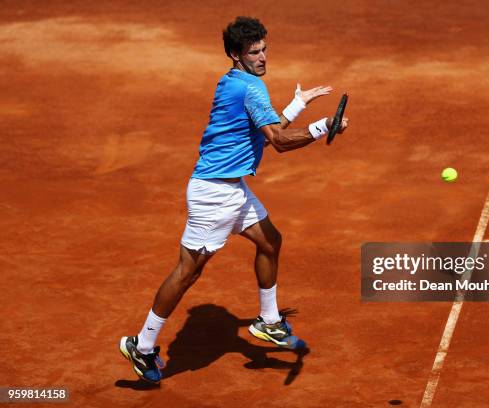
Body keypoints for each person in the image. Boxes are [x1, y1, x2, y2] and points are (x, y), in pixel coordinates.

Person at [119, 16, 349, 384]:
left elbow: (262, 136)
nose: (263, 57)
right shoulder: (251, 89)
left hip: (231, 190)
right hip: (214, 194)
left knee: (270, 240)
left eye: (264, 49)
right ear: (235, 54)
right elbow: (277, 142)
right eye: (254, 52)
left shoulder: (235, 82)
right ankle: (142, 345)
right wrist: (323, 127)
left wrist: (297, 105)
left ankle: (268, 320)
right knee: (188, 271)